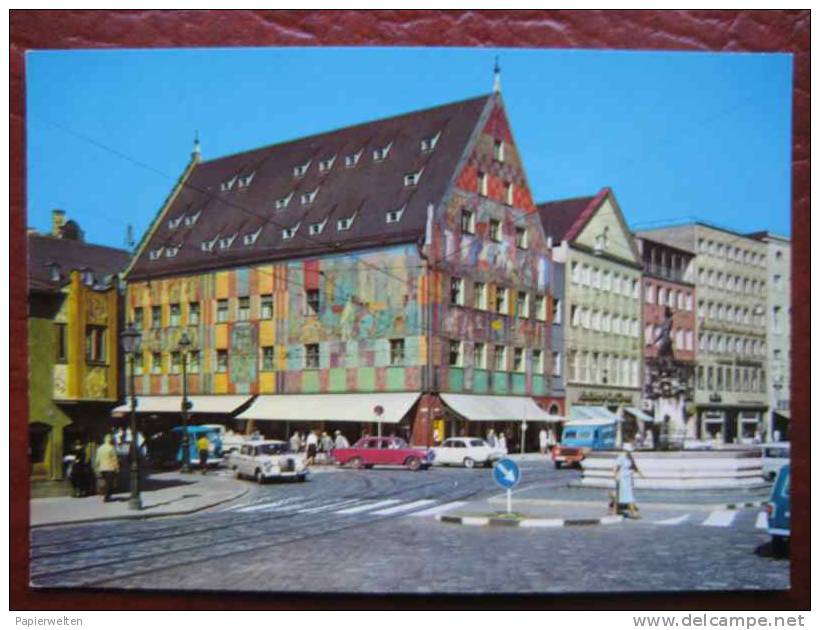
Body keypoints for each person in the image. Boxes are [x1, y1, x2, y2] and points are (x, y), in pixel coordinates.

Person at [613, 443, 643, 518]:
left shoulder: (630, 457)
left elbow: (634, 466)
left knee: (622, 495)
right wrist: (615, 476)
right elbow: (615, 467)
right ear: (625, 450)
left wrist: (640, 474)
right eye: (628, 451)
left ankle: (616, 509)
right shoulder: (621, 457)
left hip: (629, 478)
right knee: (628, 495)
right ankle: (633, 513)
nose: (629, 452)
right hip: (622, 478)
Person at [94, 434, 119, 502]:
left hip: (102, 468)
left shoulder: (100, 448)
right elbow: (115, 459)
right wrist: (117, 468)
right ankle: (106, 496)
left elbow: (97, 459)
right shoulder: (111, 448)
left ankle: (105, 495)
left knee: (105, 482)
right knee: (109, 483)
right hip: (110, 468)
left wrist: (96, 467)